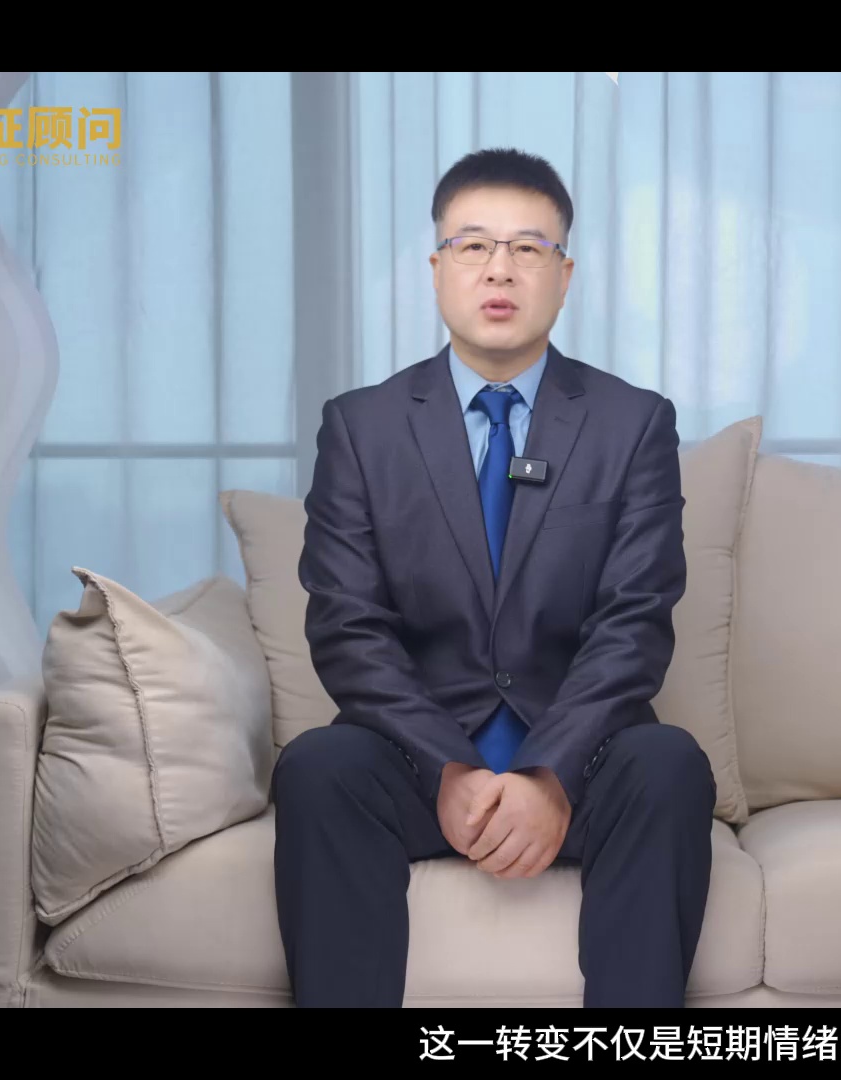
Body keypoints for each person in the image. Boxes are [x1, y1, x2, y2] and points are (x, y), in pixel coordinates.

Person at [272, 148, 714, 1008]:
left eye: (528, 248)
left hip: (584, 762)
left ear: (565, 275)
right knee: (318, 766)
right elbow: (347, 626)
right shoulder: (361, 427)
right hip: (413, 766)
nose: (500, 270)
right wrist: (448, 766)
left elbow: (634, 622)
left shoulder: (633, 424)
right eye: (473, 246)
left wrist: (550, 773)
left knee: (669, 763)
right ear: (436, 268)